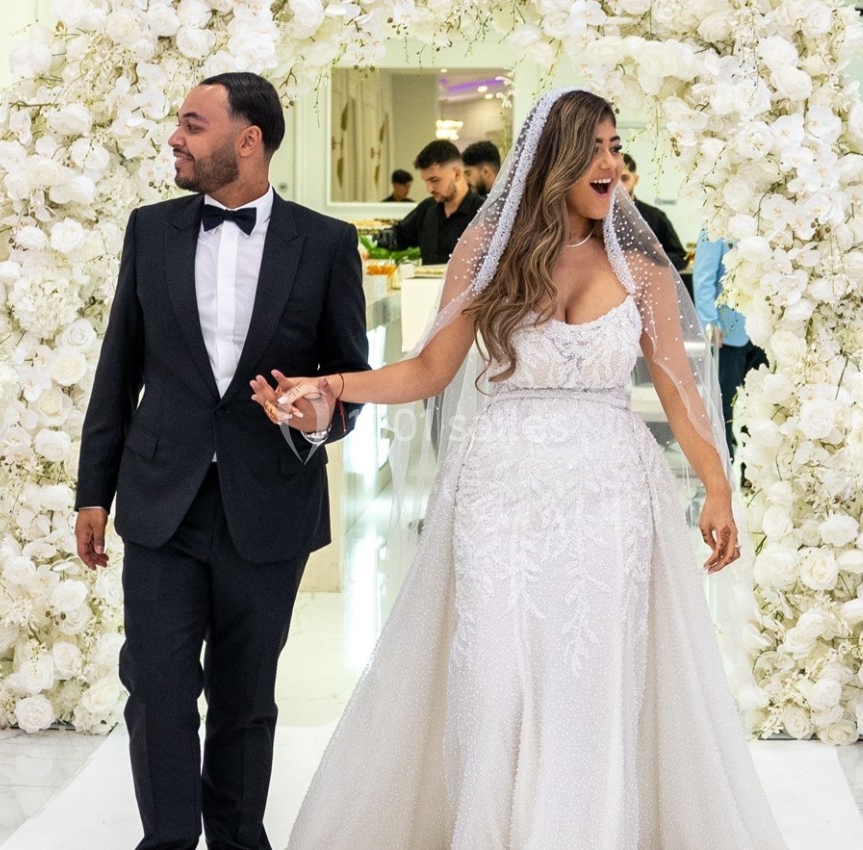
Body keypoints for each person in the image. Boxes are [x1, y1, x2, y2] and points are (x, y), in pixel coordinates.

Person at [250, 89, 786, 849]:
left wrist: (718, 487)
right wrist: (333, 386)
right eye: (595, 147)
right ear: (553, 159)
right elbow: (428, 369)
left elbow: (679, 390)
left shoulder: (642, 270)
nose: (611, 163)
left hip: (609, 492)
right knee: (494, 673)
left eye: (615, 146)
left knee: (591, 672)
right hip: (498, 489)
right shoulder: (485, 255)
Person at [74, 72, 370, 850]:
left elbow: (349, 379)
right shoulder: (151, 230)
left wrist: (319, 414)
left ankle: (240, 841)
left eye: (193, 125)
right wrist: (92, 492)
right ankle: (167, 842)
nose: (175, 138)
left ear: (249, 140)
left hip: (268, 503)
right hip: (161, 501)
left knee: (246, 699)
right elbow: (118, 368)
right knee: (156, 688)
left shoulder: (326, 244)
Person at [694, 233, 768, 460]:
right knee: (724, 405)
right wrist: (710, 322)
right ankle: (725, 464)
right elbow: (703, 278)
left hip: (764, 333)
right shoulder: (715, 229)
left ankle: (754, 468)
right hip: (727, 335)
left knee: (762, 405)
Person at [374, 140, 484, 264]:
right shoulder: (427, 209)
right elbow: (401, 235)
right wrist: (389, 236)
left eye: (435, 180)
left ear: (457, 174)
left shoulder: (484, 213)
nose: (429, 189)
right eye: (426, 181)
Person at [621, 151, 687, 271]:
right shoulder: (596, 216)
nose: (619, 185)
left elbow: (680, 257)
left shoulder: (655, 216)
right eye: (613, 180)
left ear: (635, 179)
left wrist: (649, 262)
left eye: (624, 178)